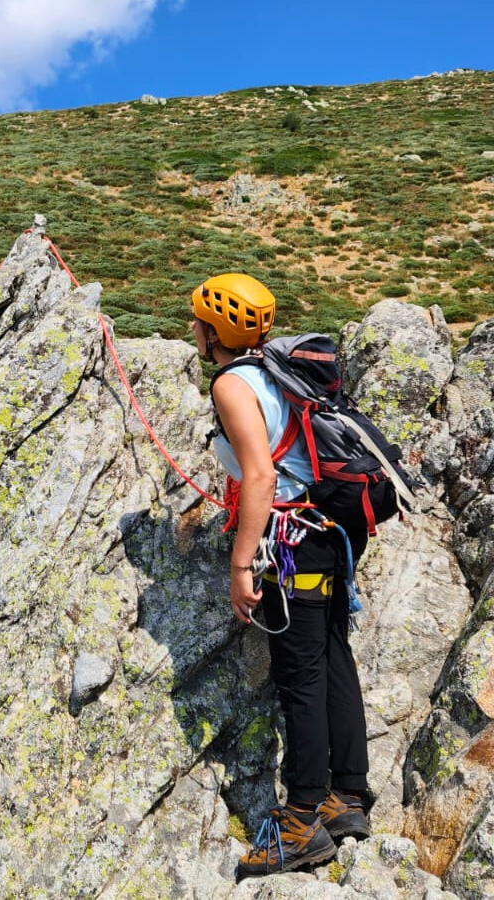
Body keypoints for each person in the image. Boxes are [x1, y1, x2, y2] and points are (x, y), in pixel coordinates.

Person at [191, 273, 376, 879]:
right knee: (330, 658)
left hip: (291, 541)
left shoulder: (232, 385)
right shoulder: (277, 368)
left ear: (215, 331)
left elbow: (260, 478)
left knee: (299, 677)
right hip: (329, 534)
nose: (192, 329)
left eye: (198, 322)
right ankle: (346, 798)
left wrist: (240, 565)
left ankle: (300, 823)